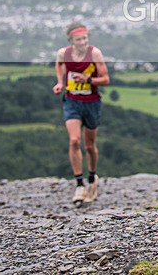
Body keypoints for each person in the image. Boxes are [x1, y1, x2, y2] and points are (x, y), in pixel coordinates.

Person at [52, 22, 110, 204]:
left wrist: (88, 79)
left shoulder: (94, 54)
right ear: (71, 40)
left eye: (85, 38)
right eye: (79, 39)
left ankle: (92, 177)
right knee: (74, 140)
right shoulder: (64, 54)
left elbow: (106, 79)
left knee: (89, 147)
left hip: (91, 103)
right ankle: (79, 184)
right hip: (72, 101)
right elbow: (59, 65)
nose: (83, 42)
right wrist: (60, 83)